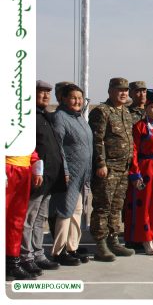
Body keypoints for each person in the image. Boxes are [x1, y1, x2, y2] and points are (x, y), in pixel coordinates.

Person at [20, 81, 66, 276]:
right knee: (28, 218)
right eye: (41, 92)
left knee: (40, 218)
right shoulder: (28, 117)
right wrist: (35, 169)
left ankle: (38, 253)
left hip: (50, 176)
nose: (46, 96)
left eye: (48, 93)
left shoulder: (45, 116)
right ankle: (25, 255)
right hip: (36, 177)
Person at [89, 77, 136, 261]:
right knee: (103, 207)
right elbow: (97, 140)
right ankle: (100, 244)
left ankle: (113, 240)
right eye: (119, 90)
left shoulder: (125, 111)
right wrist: (100, 164)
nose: (123, 93)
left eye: (125, 90)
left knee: (117, 207)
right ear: (110, 91)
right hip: (108, 169)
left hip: (123, 168)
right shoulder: (102, 112)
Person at [124, 89, 153, 256]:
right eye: (152, 107)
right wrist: (135, 174)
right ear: (146, 108)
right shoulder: (140, 127)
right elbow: (134, 151)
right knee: (144, 204)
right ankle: (145, 238)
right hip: (145, 168)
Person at [50, 83, 92, 266]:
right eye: (73, 98)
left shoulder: (79, 118)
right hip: (69, 174)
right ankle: (58, 251)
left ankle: (72, 247)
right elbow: (58, 146)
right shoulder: (60, 117)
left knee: (77, 211)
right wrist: (64, 170)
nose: (77, 101)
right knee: (64, 212)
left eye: (80, 98)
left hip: (82, 175)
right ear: (64, 99)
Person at [6, 151, 35, 280]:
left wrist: (36, 163)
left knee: (17, 220)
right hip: (7, 166)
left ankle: (12, 262)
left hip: (24, 168)